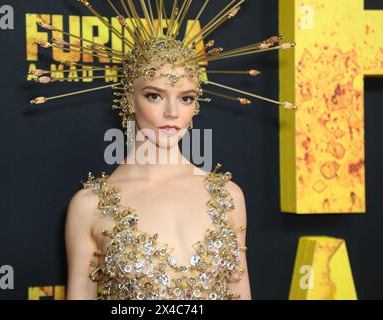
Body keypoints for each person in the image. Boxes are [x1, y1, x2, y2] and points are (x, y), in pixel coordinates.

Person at [29, 0, 296, 300]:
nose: (172, 112)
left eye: (186, 97)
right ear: (130, 99)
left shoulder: (228, 197)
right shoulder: (90, 206)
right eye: (155, 95)